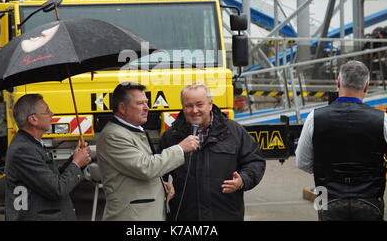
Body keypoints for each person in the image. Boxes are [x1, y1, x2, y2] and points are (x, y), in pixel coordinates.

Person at [296, 60, 387, 221]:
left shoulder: (314, 118)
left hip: (328, 200)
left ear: (338, 82)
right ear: (366, 86)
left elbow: (302, 162)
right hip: (370, 200)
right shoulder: (383, 120)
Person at [159, 83, 266, 221]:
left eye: (199, 104)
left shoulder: (233, 131)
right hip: (184, 217)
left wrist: (243, 180)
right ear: (183, 107)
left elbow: (255, 161)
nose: (194, 110)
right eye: (188, 106)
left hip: (225, 215)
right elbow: (158, 169)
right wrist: (163, 185)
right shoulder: (171, 136)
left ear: (210, 104)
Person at [95, 82, 200, 221]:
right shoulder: (113, 136)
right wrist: (180, 148)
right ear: (122, 107)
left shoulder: (130, 130)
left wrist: (159, 186)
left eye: (146, 102)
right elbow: (145, 167)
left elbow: (133, 172)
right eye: (140, 103)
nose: (147, 108)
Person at [5, 94, 91, 221]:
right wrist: (76, 164)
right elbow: (57, 189)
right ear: (33, 119)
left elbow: (50, 177)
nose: (52, 114)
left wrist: (75, 159)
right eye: (47, 111)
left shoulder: (31, 143)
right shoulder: (23, 150)